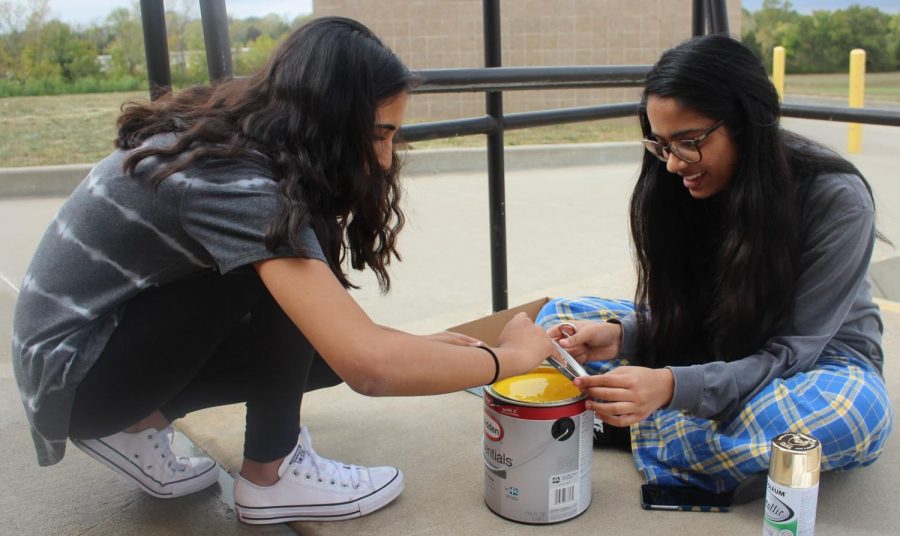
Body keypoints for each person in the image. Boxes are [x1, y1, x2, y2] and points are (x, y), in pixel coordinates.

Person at [12, 17, 552, 525]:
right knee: (280, 257)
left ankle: (139, 423)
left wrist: (423, 349)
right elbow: (370, 367)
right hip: (76, 379)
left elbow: (341, 340)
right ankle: (272, 476)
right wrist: (506, 360)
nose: (386, 159)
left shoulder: (240, 139)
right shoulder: (233, 183)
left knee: (318, 344)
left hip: (83, 361)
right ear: (328, 122)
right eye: (378, 135)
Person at [538, 33, 893, 502]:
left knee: (853, 414)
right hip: (717, 346)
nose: (670, 165)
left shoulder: (836, 199)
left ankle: (618, 424)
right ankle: (684, 432)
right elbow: (694, 312)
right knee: (558, 319)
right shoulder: (679, 184)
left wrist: (669, 387)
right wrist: (623, 334)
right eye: (660, 144)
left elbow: (792, 352)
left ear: (748, 122)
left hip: (816, 361)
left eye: (688, 142)